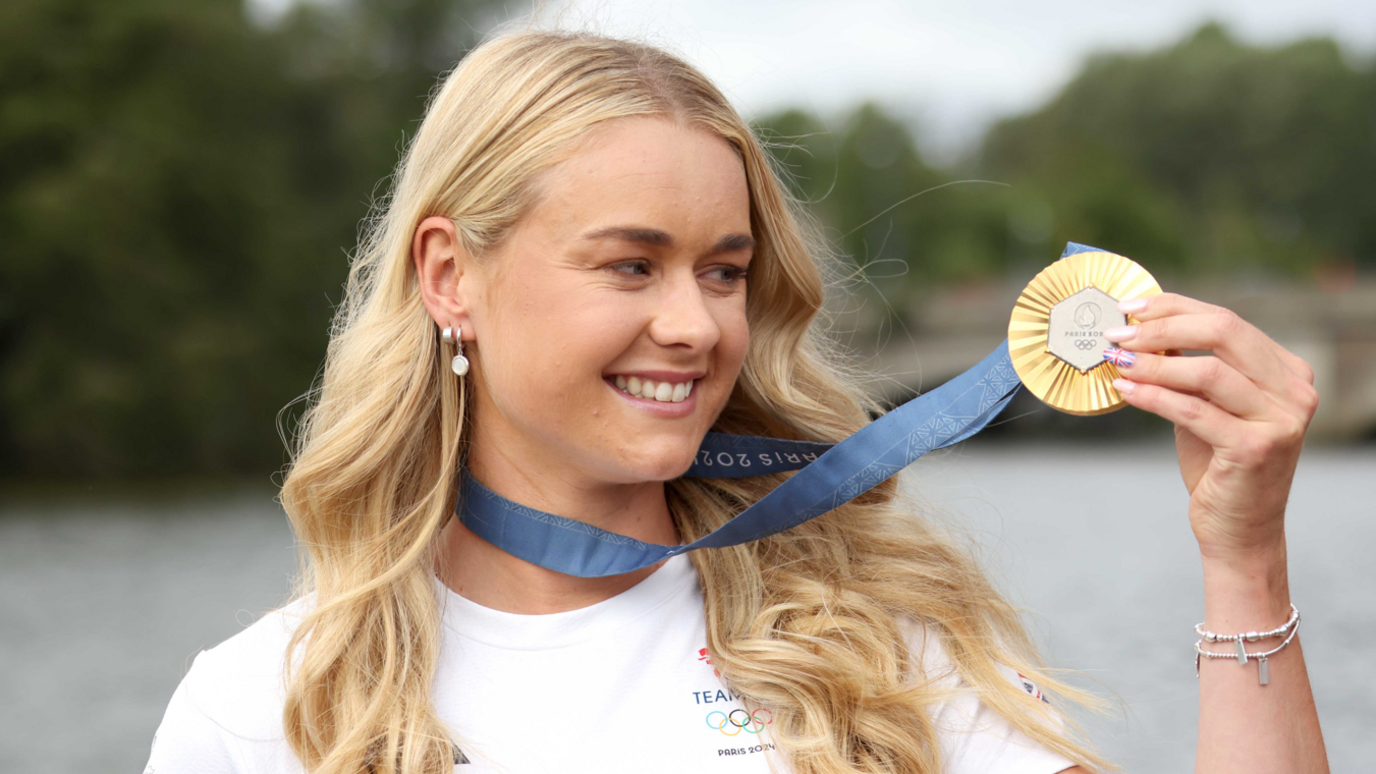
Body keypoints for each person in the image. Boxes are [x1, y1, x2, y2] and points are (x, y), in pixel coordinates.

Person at [143, 28, 1329, 774]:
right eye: (629, 263)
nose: (699, 324)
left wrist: (1244, 565)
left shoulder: (872, 644)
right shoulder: (264, 712)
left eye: (722, 270)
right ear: (450, 275)